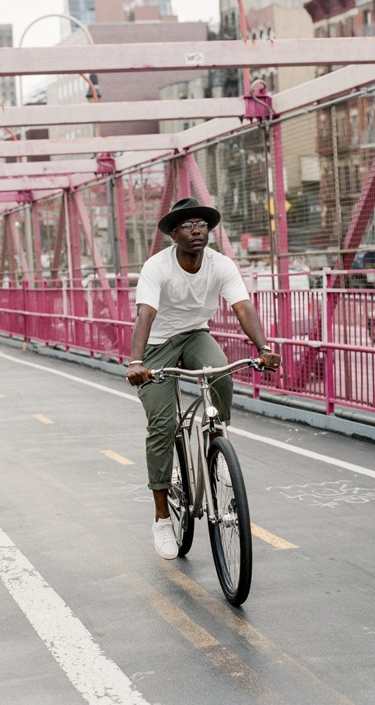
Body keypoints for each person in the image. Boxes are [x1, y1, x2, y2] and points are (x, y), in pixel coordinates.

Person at [125, 198, 282, 560]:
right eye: (188, 225)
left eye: (202, 224)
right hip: (158, 343)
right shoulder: (157, 267)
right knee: (162, 425)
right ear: (174, 234)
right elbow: (145, 314)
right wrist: (136, 361)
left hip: (196, 333)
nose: (197, 230)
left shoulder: (221, 264)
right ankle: (162, 517)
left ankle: (217, 439)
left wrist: (263, 347)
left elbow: (242, 306)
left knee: (221, 373)